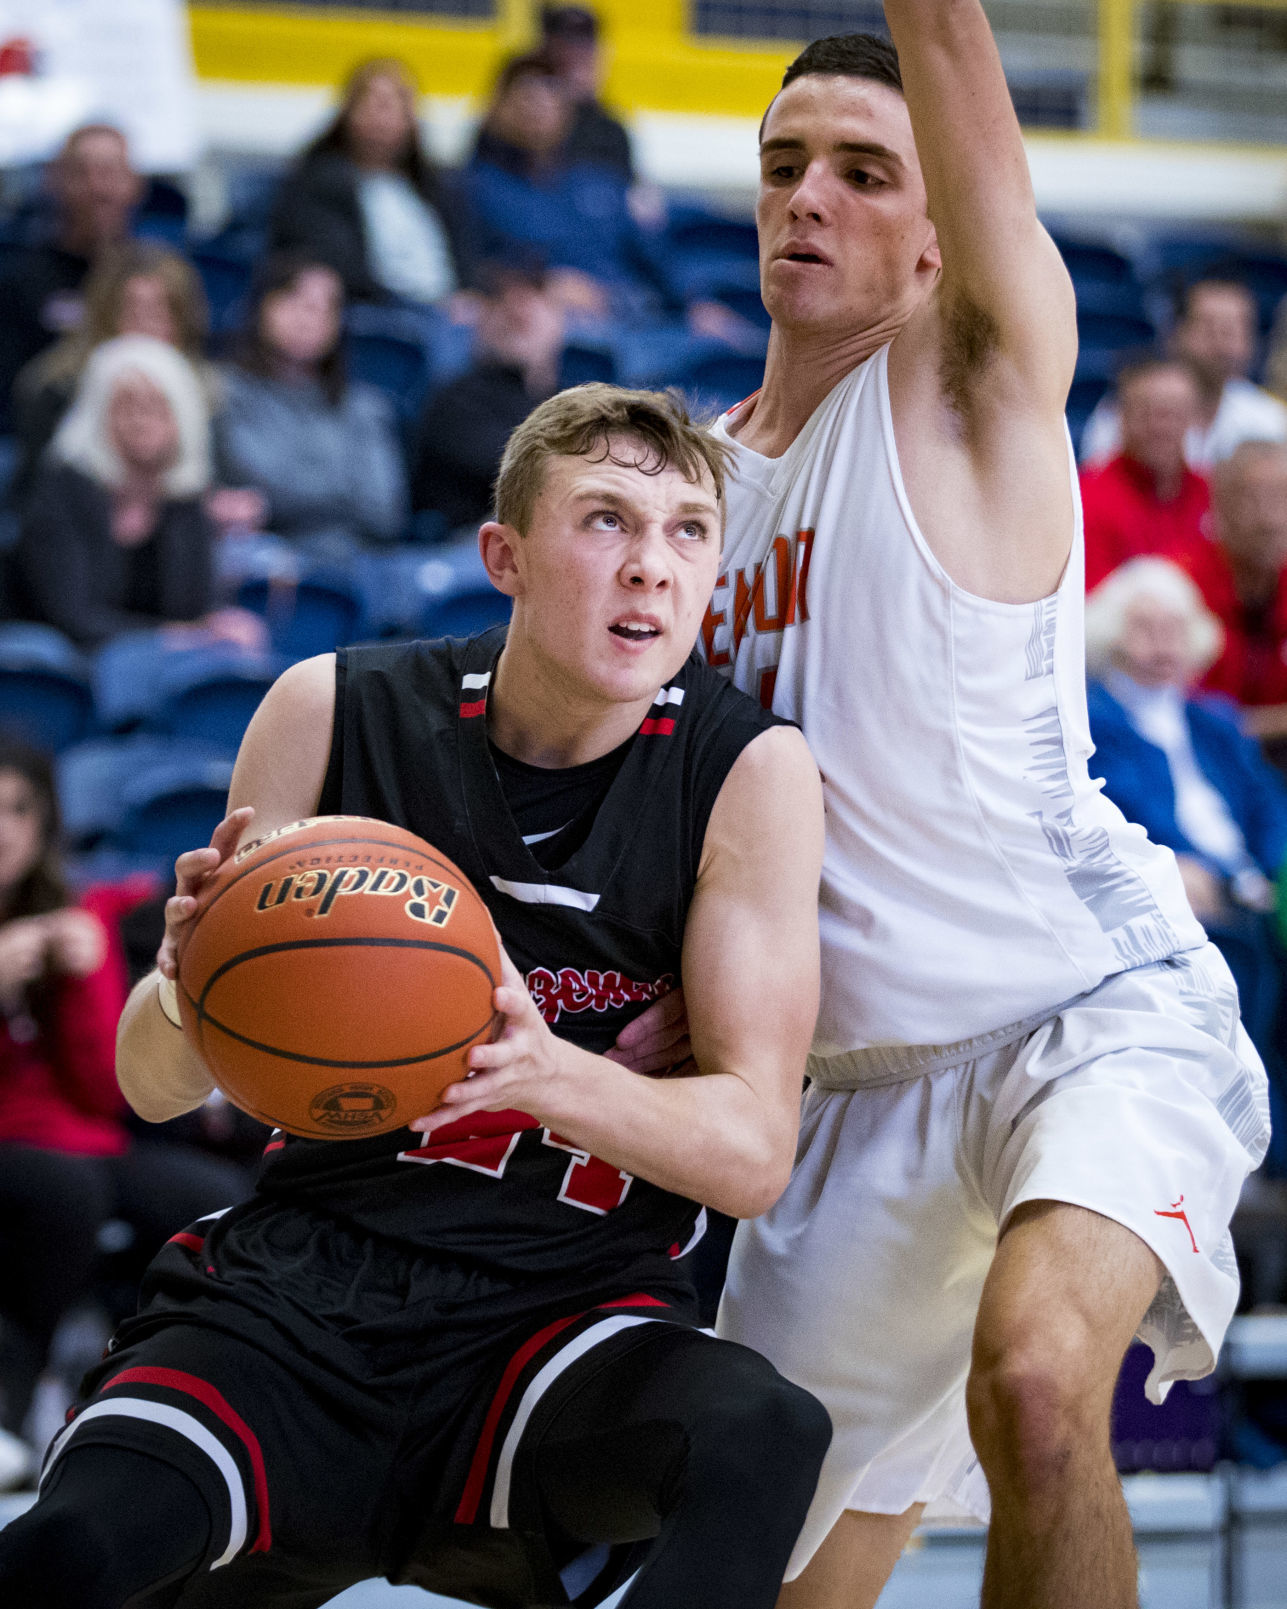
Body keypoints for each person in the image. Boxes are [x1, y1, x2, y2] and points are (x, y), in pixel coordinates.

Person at [0, 385, 832, 1609]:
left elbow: (755, 1153)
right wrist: (187, 987)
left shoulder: (747, 769)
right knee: (68, 1554)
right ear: (505, 556)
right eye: (606, 521)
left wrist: (547, 1070)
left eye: (688, 532)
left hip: (565, 1311)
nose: (652, 568)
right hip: (303, 1294)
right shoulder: (334, 707)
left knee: (763, 1432)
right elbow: (151, 1083)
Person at [628, 25, 1269, 1609]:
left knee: (1043, 1383)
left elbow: (969, 130)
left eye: (862, 170)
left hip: (1081, 1012)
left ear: (936, 230)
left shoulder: (961, 373)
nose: (809, 199)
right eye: (783, 167)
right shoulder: (689, 496)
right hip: (841, 1095)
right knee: (768, 1579)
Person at [0, 741, 250, 1491]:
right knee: (63, 1194)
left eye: (19, 809)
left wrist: (79, 979)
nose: (5, 828)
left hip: (79, 1137)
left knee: (211, 1200)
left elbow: (101, 1089)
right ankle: (21, 1388)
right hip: (23, 1146)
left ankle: (140, 1393)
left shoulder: (76, 914)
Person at [1085, 558, 1287, 1069]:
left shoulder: (1211, 718)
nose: (1162, 646)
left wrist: (1267, 867)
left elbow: (1268, 804)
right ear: (1111, 636)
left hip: (1251, 888)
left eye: (1174, 630)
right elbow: (1126, 815)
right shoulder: (1094, 722)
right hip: (1181, 900)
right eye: (1144, 630)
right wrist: (1204, 870)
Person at [11, 335, 265, 653]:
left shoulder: (185, 499)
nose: (141, 419)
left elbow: (199, 606)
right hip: (66, 663)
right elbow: (74, 619)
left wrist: (221, 626)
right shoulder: (62, 491)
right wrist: (179, 637)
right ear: (97, 413)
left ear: (181, 418)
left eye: (156, 406)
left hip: (158, 665)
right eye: (126, 404)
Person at [214, 253, 408, 562]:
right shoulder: (223, 391)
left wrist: (273, 505)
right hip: (260, 554)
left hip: (352, 558)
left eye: (324, 307)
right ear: (261, 305)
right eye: (294, 298)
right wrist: (344, 494)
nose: (307, 316)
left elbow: (384, 513)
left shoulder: (365, 408)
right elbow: (252, 474)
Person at [9, 241, 214, 506]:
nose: (144, 327)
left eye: (159, 313)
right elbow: (37, 493)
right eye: (132, 311)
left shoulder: (208, 395)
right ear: (104, 317)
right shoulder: (54, 389)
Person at [268, 57, 473, 306]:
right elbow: (341, 269)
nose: (381, 115)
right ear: (347, 111)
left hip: (447, 315)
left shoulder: (435, 187)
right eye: (372, 102)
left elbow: (466, 260)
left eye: (392, 104)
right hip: (375, 315)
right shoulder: (318, 183)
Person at [411, 261, 566, 533]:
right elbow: (521, 473)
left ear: (558, 322)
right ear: (480, 322)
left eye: (533, 303)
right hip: (471, 547)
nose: (519, 313)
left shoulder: (566, 403)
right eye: (504, 303)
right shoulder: (456, 401)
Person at [0, 125, 144, 418]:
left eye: (110, 172)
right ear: (54, 182)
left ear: (135, 185)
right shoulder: (18, 280)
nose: (98, 188)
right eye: (82, 173)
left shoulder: (155, 280)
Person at [1081, 279, 1287, 471]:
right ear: (1175, 333)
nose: (1224, 345)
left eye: (1235, 330)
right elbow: (1096, 487)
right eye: (1210, 328)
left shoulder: (1268, 419)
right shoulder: (1126, 408)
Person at [1184, 439, 1287, 744]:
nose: (1270, 519)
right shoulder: (1180, 589)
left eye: (1282, 499)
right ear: (1219, 506)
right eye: (1252, 500)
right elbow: (1174, 718)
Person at [1080, 355, 1211, 590]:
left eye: (1172, 414)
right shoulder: (1086, 497)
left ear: (1195, 418)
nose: (1159, 427)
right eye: (1145, 413)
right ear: (1121, 417)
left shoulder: (1213, 496)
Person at [539, 5, 636, 183]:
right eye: (565, 62)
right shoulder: (524, 123)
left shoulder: (609, 131)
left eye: (584, 61)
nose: (575, 71)